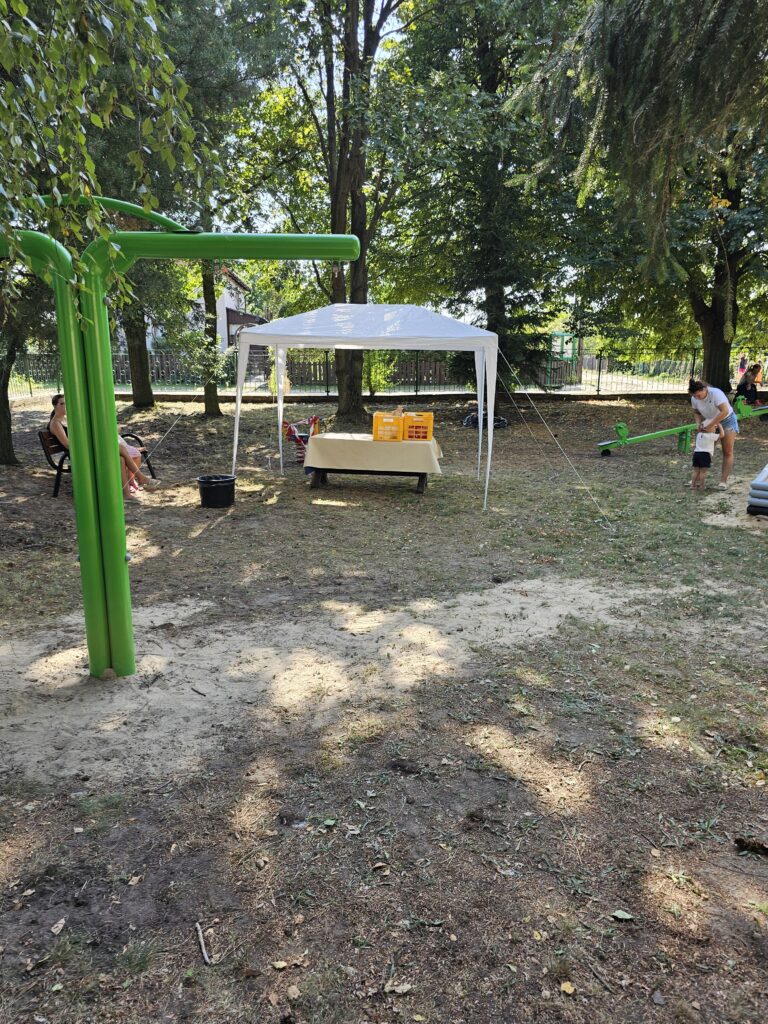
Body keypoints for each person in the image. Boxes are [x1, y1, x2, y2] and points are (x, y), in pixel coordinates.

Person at [46, 394, 159, 502]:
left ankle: (127, 494)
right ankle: (141, 478)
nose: (65, 406)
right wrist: (89, 445)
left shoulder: (66, 420)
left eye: (66, 403)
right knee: (119, 447)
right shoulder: (56, 423)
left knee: (120, 458)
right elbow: (67, 445)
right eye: (62, 404)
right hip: (79, 455)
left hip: (85, 451)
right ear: (55, 406)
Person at [688, 378, 739, 489]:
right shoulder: (694, 398)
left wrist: (712, 424)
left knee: (727, 451)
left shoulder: (716, 393)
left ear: (704, 389)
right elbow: (696, 412)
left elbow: (724, 411)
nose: (697, 398)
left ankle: (723, 481)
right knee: (705, 450)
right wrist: (698, 424)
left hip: (727, 420)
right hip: (710, 422)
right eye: (694, 396)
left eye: (699, 395)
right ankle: (696, 478)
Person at [691, 422, 724, 489]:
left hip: (696, 454)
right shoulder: (711, 435)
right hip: (705, 455)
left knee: (696, 471)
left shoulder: (699, 434)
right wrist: (720, 425)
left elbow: (699, 428)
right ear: (708, 428)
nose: (715, 428)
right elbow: (722, 435)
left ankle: (692, 485)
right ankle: (702, 486)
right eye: (714, 427)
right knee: (703, 472)